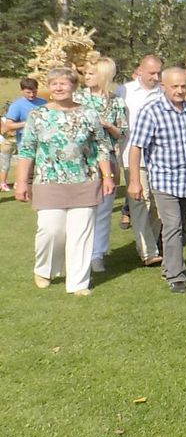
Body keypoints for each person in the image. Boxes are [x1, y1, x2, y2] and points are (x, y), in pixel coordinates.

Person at [13, 68, 115, 295]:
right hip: (48, 181)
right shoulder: (37, 116)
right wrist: (21, 182)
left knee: (81, 232)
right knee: (51, 229)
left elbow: (101, 147)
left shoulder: (88, 114)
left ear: (73, 87)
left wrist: (107, 176)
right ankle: (44, 269)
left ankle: (78, 283)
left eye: (63, 83)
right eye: (54, 83)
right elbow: (27, 150)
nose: (58, 88)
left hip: (85, 180)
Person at [128, 68, 186, 294]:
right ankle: (176, 275)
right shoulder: (151, 111)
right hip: (164, 180)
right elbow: (136, 147)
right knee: (172, 225)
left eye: (183, 86)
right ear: (163, 86)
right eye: (175, 86)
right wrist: (135, 181)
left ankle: (168, 265)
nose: (180, 91)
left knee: (181, 226)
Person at [75, 57, 129, 273]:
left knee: (104, 210)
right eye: (86, 73)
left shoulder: (116, 102)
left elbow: (122, 132)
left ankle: (97, 254)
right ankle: (78, 253)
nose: (87, 77)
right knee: (81, 210)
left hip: (108, 160)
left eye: (91, 73)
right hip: (79, 161)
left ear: (104, 75)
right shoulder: (77, 98)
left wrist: (108, 126)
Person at [121, 54, 164, 265]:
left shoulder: (164, 93)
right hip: (133, 155)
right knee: (140, 201)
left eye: (158, 73)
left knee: (156, 203)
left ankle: (152, 242)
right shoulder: (125, 91)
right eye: (151, 73)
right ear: (140, 70)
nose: (155, 77)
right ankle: (147, 251)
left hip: (159, 157)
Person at [1, 78, 45, 191]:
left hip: (43, 139)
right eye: (28, 92)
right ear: (22, 91)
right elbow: (9, 125)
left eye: (34, 92)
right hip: (25, 140)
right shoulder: (17, 105)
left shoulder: (43, 103)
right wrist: (28, 123)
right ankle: (24, 186)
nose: (32, 95)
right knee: (28, 165)